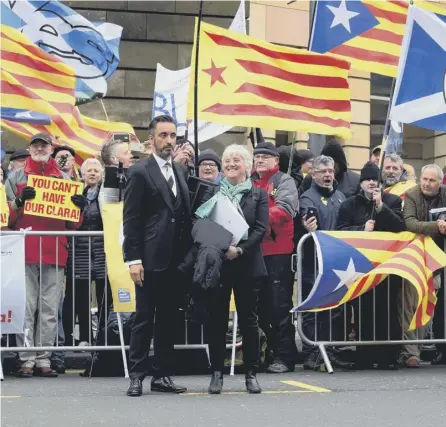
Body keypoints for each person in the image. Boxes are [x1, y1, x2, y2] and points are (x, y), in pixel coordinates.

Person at [5, 133, 86, 378]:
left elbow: (74, 225)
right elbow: (5, 216)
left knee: (50, 308)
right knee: (28, 307)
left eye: (44, 145)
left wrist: (79, 207)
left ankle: (44, 357)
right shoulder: (16, 177)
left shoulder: (64, 178)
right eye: (36, 145)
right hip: (25, 251)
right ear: (30, 149)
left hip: (54, 250)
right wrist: (19, 201)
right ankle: (27, 358)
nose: (40, 148)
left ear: (51, 150)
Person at [123, 115, 191, 397]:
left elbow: (182, 214)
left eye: (173, 135)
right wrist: (133, 259)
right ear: (151, 139)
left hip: (176, 260)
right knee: (144, 319)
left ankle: (162, 375)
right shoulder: (140, 171)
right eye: (163, 135)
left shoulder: (179, 171)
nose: (169, 141)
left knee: (168, 319)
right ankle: (137, 375)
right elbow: (132, 219)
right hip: (150, 258)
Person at [195, 144, 268, 394]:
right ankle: (217, 373)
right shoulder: (212, 192)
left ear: (246, 166)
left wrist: (241, 249)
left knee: (248, 321)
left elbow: (260, 229)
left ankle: (251, 373)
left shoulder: (258, 195)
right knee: (216, 321)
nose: (231, 164)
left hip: (247, 263)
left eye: (236, 160)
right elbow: (200, 223)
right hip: (220, 263)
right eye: (227, 161)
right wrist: (219, 244)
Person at [337, 161, 405, 369]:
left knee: (387, 309)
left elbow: (400, 226)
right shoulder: (349, 204)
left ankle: (388, 355)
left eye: (374, 180)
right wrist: (361, 228)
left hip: (386, 267)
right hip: (360, 268)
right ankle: (365, 354)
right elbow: (340, 230)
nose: (371, 183)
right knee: (363, 310)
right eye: (367, 179)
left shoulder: (392, 201)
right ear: (361, 182)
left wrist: (381, 207)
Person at [251, 142, 299, 374]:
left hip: (278, 253)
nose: (259, 160)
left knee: (278, 306)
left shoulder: (283, 181)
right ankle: (265, 352)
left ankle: (285, 355)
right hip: (253, 252)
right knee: (258, 306)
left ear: (275, 161)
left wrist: (256, 216)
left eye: (264, 156)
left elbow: (286, 209)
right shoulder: (248, 180)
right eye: (256, 156)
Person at [298, 155, 347, 370]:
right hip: (314, 262)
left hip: (337, 262)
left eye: (330, 171)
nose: (328, 175)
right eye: (323, 172)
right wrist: (308, 226)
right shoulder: (308, 197)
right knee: (314, 308)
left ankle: (331, 350)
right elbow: (306, 219)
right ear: (314, 174)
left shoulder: (340, 197)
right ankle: (312, 353)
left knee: (334, 308)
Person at [62, 158, 111, 348]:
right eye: (89, 170)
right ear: (82, 174)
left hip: (102, 252)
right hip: (79, 251)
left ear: (101, 175)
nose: (92, 173)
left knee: (103, 296)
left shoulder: (106, 195)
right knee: (79, 297)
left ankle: (104, 337)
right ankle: (83, 337)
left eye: (96, 171)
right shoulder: (74, 193)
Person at [403, 164, 446, 367]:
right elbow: (410, 222)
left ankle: (417, 347)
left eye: (432, 180)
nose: (427, 184)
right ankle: (410, 352)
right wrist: (437, 227)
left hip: (437, 261)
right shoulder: (411, 195)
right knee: (409, 304)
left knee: (429, 304)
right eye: (424, 179)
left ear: (440, 182)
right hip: (415, 258)